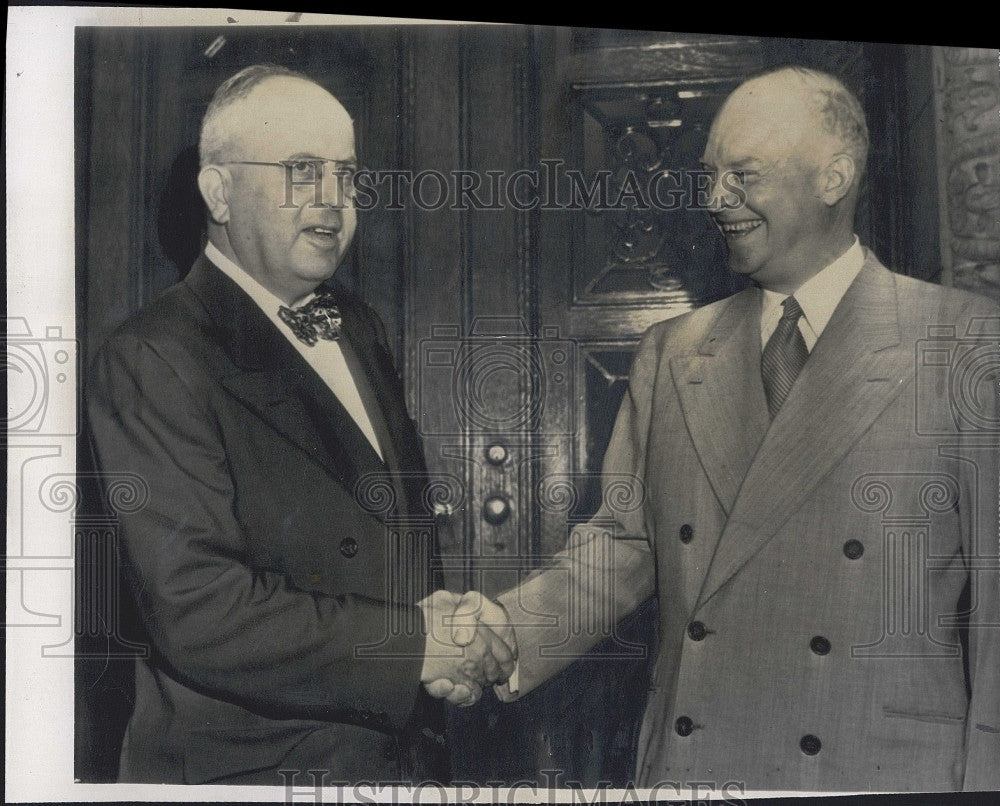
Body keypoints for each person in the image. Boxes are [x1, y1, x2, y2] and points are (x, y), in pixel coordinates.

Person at [482, 65, 1000, 792]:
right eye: (710, 175)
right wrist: (497, 636)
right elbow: (623, 549)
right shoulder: (672, 351)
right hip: (700, 765)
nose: (714, 198)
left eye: (742, 175)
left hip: (879, 769)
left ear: (834, 177)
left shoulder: (966, 342)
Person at [86, 64, 514, 785]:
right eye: (301, 170)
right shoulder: (151, 355)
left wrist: (445, 633)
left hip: (396, 757)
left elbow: (387, 535)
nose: (332, 201)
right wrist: (422, 648)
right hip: (252, 774)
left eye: (346, 176)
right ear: (218, 191)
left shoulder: (357, 326)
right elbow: (200, 609)